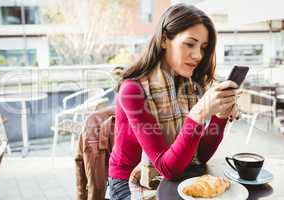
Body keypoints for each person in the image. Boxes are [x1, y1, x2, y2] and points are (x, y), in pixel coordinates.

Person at [99, 4, 240, 200]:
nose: (198, 55)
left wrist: (220, 117)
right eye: (190, 44)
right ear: (165, 40)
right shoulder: (133, 90)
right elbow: (167, 169)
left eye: (203, 48)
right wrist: (199, 114)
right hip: (129, 182)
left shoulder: (188, 84)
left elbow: (199, 156)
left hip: (174, 176)